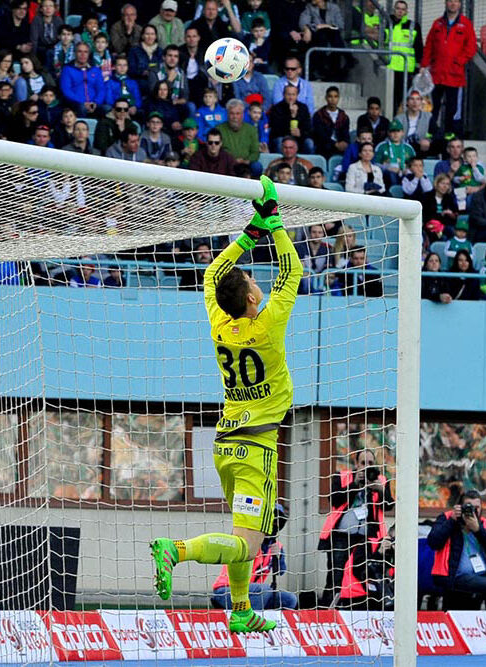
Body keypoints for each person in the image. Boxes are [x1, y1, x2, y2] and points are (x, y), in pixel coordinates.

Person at [151, 176, 302, 635]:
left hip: (225, 443)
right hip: (256, 448)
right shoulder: (268, 325)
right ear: (253, 297)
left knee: (242, 533)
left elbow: (212, 274)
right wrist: (275, 221)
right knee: (248, 546)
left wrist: (251, 233)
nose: (257, 282)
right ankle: (177, 550)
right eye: (254, 281)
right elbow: (292, 270)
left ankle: (240, 608)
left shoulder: (220, 323)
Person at [317, 448, 394, 606]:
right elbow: (334, 500)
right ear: (356, 464)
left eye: (370, 463)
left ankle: (356, 607)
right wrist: (355, 485)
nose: (366, 467)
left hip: (366, 539)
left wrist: (380, 490)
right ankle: (328, 611)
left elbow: (388, 506)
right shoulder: (342, 476)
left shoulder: (381, 480)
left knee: (362, 576)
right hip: (341, 536)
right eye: (363, 463)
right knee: (336, 576)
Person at [212, 503, 297, 610]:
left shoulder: (276, 546)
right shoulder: (249, 539)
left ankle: (276, 619)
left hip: (254, 591)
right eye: (270, 521)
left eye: (276, 521)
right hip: (226, 590)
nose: (273, 525)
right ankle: (252, 617)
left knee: (289, 599)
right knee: (264, 589)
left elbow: (281, 571)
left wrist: (278, 557)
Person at [419, 0, 476, 137]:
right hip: (436, 72)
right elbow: (429, 45)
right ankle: (430, 131)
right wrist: (424, 65)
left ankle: (449, 133)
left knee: (452, 106)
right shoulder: (437, 23)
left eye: (456, 1)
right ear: (446, 3)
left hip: (454, 74)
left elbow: (471, 47)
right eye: (450, 1)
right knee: (433, 105)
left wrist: (459, 61)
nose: (453, 4)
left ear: (460, 4)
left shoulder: (466, 24)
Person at [385, 0, 424, 114]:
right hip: (390, 66)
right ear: (394, 10)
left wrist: (418, 66)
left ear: (406, 11)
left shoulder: (413, 26)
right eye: (398, 9)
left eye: (403, 9)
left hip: (406, 68)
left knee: (403, 99)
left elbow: (418, 47)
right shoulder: (388, 23)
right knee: (391, 99)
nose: (400, 12)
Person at [299, 0, 347, 80]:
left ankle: (330, 73)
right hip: (317, 37)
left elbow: (340, 25)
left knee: (331, 34)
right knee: (323, 34)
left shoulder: (334, 8)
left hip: (332, 38)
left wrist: (326, 26)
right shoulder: (310, 8)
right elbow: (303, 21)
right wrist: (307, 29)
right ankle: (348, 57)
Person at [217, 98, 261, 177]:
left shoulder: (252, 129)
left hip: (247, 163)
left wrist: (247, 161)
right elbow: (217, 151)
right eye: (232, 113)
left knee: (257, 166)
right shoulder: (219, 129)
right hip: (227, 162)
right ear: (227, 114)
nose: (235, 117)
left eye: (238, 113)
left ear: (243, 114)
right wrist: (233, 160)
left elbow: (255, 152)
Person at [60, 42, 105, 117]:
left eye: (85, 52)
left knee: (107, 108)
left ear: (89, 54)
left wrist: (96, 102)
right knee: (82, 108)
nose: (83, 54)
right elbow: (66, 90)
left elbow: (101, 89)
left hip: (94, 103)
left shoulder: (95, 70)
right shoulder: (67, 69)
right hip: (76, 103)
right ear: (75, 53)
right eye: (79, 51)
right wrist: (83, 102)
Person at [268, 83, 313, 153]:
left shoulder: (303, 108)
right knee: (279, 142)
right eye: (288, 94)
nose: (291, 97)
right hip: (283, 137)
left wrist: (300, 133)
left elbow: (308, 127)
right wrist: (292, 116)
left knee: (309, 143)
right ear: (283, 95)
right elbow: (275, 129)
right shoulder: (276, 108)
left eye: (293, 94)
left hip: (299, 138)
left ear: (297, 95)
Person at [312, 86, 350, 160]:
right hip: (324, 146)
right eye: (330, 96)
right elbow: (320, 135)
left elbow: (346, 133)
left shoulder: (343, 116)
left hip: (340, 145)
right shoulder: (319, 115)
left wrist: (344, 142)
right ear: (326, 98)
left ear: (338, 98)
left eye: (335, 96)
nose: (333, 99)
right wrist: (335, 144)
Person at [375, 119, 414, 188]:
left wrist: (407, 169)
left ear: (402, 132)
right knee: (392, 173)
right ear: (388, 133)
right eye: (392, 131)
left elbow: (415, 164)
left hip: (404, 173)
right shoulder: (381, 146)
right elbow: (375, 164)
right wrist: (387, 168)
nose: (395, 134)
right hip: (387, 174)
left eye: (398, 131)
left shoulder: (409, 148)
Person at [397, 89, 435, 157]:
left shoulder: (428, 116)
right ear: (407, 102)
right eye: (412, 99)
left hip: (421, 148)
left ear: (421, 102)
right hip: (403, 148)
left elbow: (435, 132)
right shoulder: (399, 119)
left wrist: (428, 140)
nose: (415, 102)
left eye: (418, 99)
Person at [296, 223, 332, 294]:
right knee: (307, 280)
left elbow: (328, 270)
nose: (317, 235)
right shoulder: (300, 247)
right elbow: (302, 270)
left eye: (320, 232)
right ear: (309, 233)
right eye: (314, 232)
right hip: (304, 280)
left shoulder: (327, 250)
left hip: (321, 279)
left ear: (323, 234)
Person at [129, 25, 162, 97]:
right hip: (140, 84)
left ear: (155, 36)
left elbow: (162, 68)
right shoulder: (134, 50)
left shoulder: (160, 51)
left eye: (152, 34)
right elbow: (131, 70)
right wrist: (143, 72)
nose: (150, 37)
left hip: (157, 84)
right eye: (147, 34)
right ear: (142, 36)